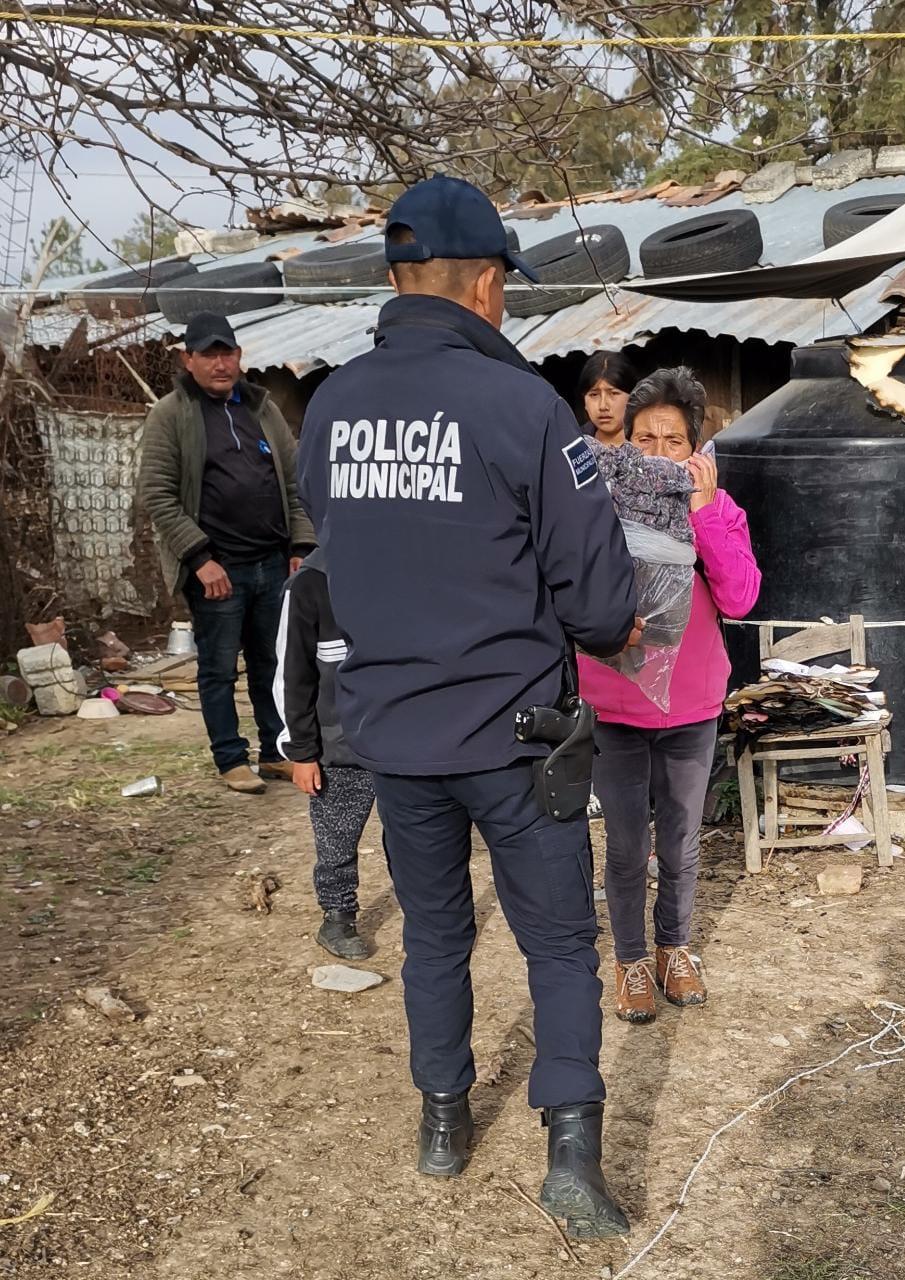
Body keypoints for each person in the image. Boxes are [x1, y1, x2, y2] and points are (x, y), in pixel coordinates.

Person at [296, 174, 640, 1239]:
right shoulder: (524, 407)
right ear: (486, 284)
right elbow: (599, 599)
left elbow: (336, 560)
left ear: (401, 280)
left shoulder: (329, 406)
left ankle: (442, 1122)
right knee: (557, 945)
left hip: (394, 737)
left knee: (435, 937)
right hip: (517, 739)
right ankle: (570, 1157)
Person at [578, 367, 761, 1025]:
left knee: (681, 841)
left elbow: (741, 597)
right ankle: (630, 960)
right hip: (614, 699)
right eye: (645, 439)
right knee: (626, 844)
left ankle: (673, 949)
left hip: (691, 704)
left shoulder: (718, 508)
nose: (658, 455)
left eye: (673, 441)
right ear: (623, 443)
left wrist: (705, 517)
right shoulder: (595, 509)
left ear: (695, 450)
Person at [139, 313, 314, 794]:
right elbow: (157, 494)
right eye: (210, 354)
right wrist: (199, 559)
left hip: (273, 563)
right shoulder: (171, 415)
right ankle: (230, 759)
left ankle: (276, 750)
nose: (221, 363)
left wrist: (300, 546)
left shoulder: (262, 408)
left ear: (239, 356)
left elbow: (296, 484)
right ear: (188, 359)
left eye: (228, 353)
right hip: (218, 568)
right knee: (218, 668)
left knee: (273, 663)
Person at [273, 548, 376, 960]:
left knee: (413, 840)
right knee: (336, 839)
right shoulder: (310, 583)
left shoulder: (403, 563)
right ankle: (337, 915)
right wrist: (301, 751)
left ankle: (426, 915)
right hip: (338, 747)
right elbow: (291, 673)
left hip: (401, 743)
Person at [579, 350, 638, 447]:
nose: (603, 406)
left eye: (613, 393)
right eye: (594, 395)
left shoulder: (650, 445)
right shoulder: (574, 446)